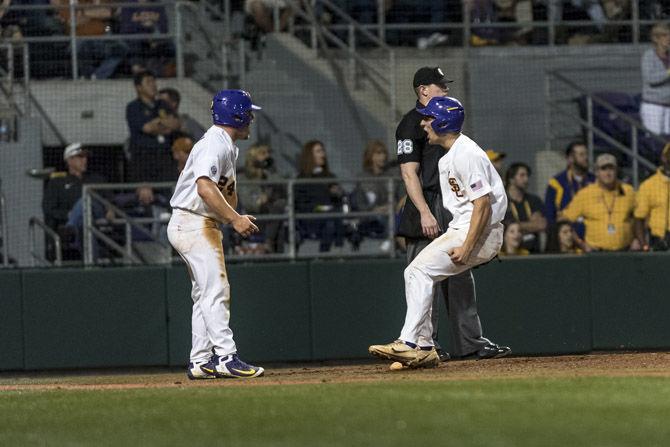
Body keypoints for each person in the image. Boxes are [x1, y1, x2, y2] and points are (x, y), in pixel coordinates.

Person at [369, 96, 509, 369]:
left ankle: (411, 344)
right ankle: (424, 347)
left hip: (478, 230)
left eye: (429, 118)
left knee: (419, 271)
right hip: (466, 227)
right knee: (415, 272)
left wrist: (468, 246)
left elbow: (482, 205)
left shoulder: (467, 154)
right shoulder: (451, 155)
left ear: (444, 121)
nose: (423, 123)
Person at [167, 89, 264, 380]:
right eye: (248, 113)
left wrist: (231, 217)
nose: (252, 118)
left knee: (203, 294)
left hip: (195, 222)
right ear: (236, 115)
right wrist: (235, 219)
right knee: (215, 291)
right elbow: (204, 187)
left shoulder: (223, 143)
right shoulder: (214, 143)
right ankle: (225, 356)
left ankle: (200, 360)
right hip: (193, 222)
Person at [42, 143, 109, 260]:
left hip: (98, 216)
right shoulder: (57, 182)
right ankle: (92, 263)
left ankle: (69, 228)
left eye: (85, 157)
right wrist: (68, 214)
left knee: (85, 200)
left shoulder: (97, 179)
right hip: (83, 223)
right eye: (80, 157)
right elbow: (48, 208)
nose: (85, 160)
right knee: (83, 222)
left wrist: (110, 209)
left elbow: (109, 200)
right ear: (69, 160)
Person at [561, 153, 639, 252]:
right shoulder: (586, 194)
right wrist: (581, 244)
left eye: (611, 169)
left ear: (616, 171)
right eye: (603, 169)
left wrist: (638, 239)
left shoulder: (628, 191)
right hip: (596, 253)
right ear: (597, 172)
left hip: (625, 251)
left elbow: (641, 217)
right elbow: (565, 220)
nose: (608, 173)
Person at [125, 71, 180, 182]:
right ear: (139, 87)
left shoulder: (163, 104)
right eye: (148, 82)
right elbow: (147, 128)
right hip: (143, 160)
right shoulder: (134, 107)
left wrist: (157, 124)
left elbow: (175, 124)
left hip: (165, 157)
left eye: (154, 81)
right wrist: (164, 122)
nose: (153, 85)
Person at [294, 140, 345, 252]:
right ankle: (324, 254)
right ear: (310, 155)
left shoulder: (330, 177)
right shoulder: (302, 179)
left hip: (331, 215)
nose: (323, 154)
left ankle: (338, 251)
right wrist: (320, 208)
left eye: (323, 151)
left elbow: (341, 198)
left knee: (335, 219)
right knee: (331, 221)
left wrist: (338, 193)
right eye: (318, 151)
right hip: (311, 218)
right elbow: (300, 203)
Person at [237, 143, 286, 254]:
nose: (267, 156)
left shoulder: (269, 175)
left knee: (279, 206)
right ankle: (268, 244)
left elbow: (283, 185)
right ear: (253, 157)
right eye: (263, 153)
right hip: (252, 216)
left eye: (268, 153)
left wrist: (270, 171)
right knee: (276, 211)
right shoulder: (243, 177)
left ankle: (275, 250)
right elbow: (247, 203)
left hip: (269, 216)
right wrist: (259, 201)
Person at [350, 140, 397, 246]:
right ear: (370, 156)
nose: (383, 157)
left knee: (396, 219)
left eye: (384, 153)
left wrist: (390, 206)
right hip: (370, 216)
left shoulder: (390, 176)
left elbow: (396, 198)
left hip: (390, 212)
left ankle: (391, 243)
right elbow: (359, 203)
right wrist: (374, 209)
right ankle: (390, 244)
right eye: (378, 153)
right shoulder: (362, 178)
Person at [544, 141, 595, 237]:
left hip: (592, 238)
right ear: (570, 159)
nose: (586, 158)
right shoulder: (556, 183)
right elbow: (550, 215)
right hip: (567, 239)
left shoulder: (595, 180)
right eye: (581, 154)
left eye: (586, 154)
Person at [634, 143, 670, 251]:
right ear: (663, 158)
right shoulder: (649, 185)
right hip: (659, 243)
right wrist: (644, 246)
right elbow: (639, 219)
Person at [505, 162, 547, 253]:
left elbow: (541, 225)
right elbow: (503, 228)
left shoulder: (534, 200)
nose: (526, 179)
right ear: (511, 179)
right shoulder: (503, 202)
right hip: (510, 254)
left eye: (527, 175)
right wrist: (530, 224)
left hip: (534, 252)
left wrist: (516, 226)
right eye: (522, 175)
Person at [640, 21, 670, 136]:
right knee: (654, 140)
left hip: (669, 105)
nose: (668, 39)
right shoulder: (649, 56)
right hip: (653, 105)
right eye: (665, 36)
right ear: (656, 38)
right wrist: (668, 72)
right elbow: (650, 78)